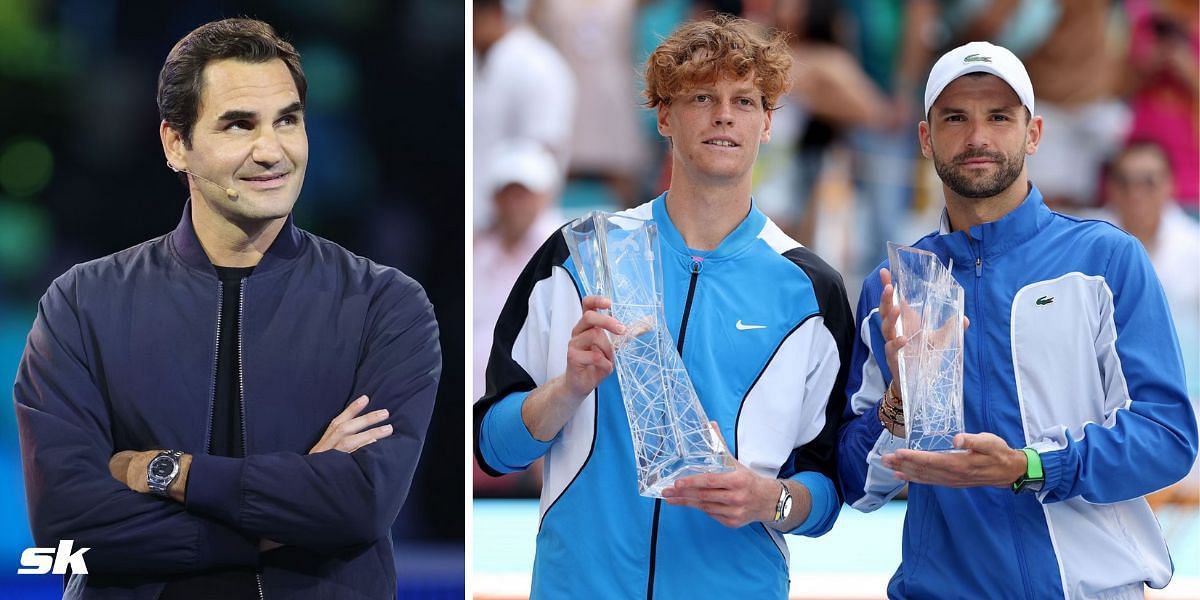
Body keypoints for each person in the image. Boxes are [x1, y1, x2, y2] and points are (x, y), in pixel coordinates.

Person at [13, 18, 441, 599]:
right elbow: (65, 535)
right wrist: (279, 521)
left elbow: (359, 506)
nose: (272, 150)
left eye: (288, 120)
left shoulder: (385, 305)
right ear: (175, 144)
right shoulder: (81, 303)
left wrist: (164, 471)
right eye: (239, 125)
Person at [474, 15, 854, 598]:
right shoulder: (577, 256)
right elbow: (492, 448)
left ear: (768, 122)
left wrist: (768, 499)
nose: (724, 114)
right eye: (702, 96)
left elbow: (826, 490)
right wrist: (569, 388)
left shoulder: (810, 289)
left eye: (744, 100)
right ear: (664, 116)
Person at [837, 41, 1198, 599]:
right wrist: (900, 407)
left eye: (999, 117)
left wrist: (1032, 466)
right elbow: (857, 485)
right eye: (955, 117)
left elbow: (1167, 439)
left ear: (1033, 134)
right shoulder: (894, 288)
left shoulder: (1105, 261)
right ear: (926, 138)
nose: (977, 136)